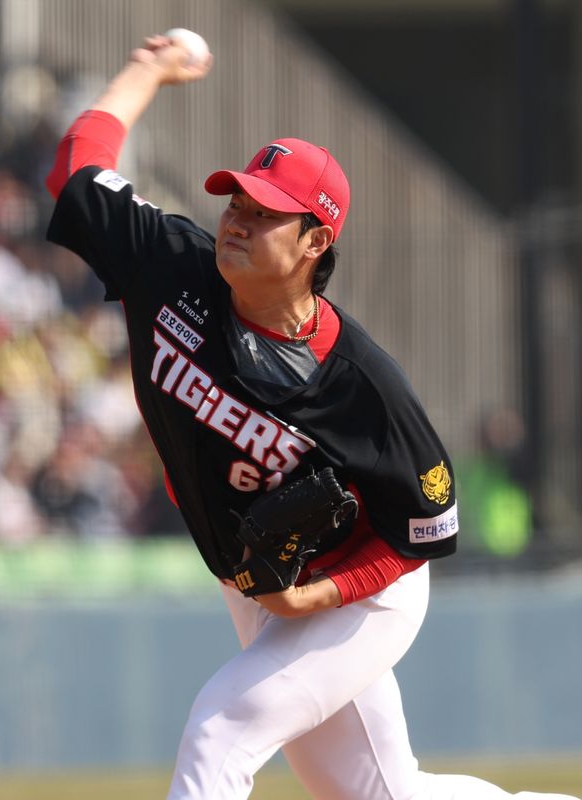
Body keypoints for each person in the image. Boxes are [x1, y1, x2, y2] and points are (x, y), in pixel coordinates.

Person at [44, 33, 579, 800]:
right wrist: (147, 68)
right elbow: (77, 169)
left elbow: (422, 530)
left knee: (221, 730)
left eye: (266, 213)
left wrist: (316, 598)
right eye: (237, 201)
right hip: (256, 579)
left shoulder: (362, 386)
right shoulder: (168, 266)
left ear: (315, 242)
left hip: (361, 593)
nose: (237, 219)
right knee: (384, 795)